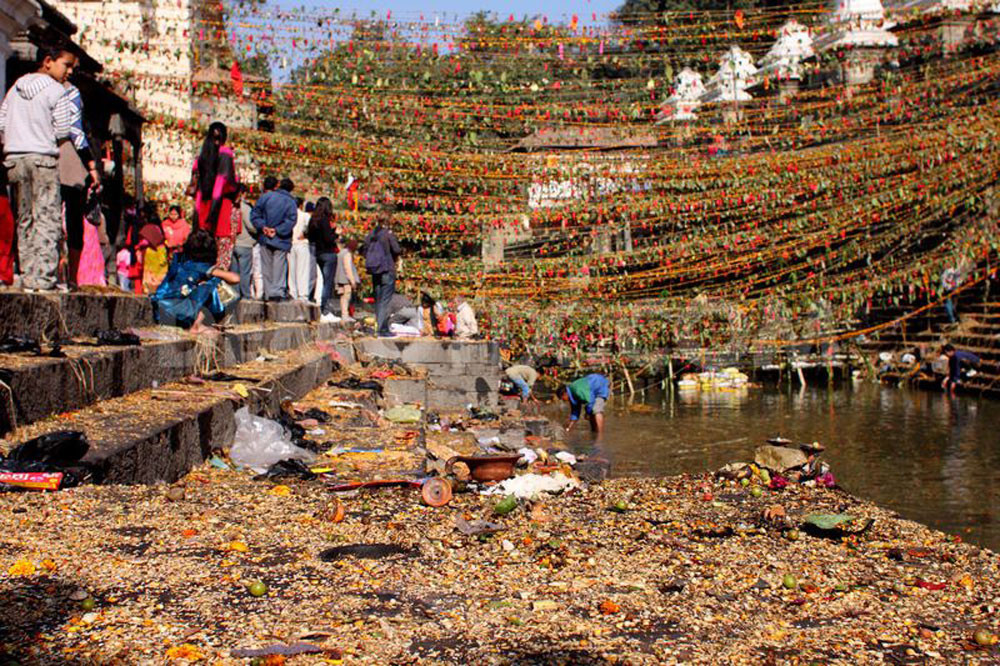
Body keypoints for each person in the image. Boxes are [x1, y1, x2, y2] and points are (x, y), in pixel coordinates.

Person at [0, 43, 81, 291]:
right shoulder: (57, 91)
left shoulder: (15, 88)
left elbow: (2, 122)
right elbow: (63, 129)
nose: (69, 72)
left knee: (24, 218)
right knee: (46, 217)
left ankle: (26, 273)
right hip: (42, 158)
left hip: (14, 158)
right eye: (66, 65)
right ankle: (43, 277)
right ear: (48, 62)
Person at [151, 229, 240, 335]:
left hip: (160, 310)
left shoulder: (179, 259)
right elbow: (235, 279)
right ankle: (196, 325)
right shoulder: (201, 266)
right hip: (177, 311)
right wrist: (216, 272)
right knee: (216, 283)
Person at [58, 81, 101, 288]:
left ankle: (50, 276)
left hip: (37, 153)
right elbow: (76, 131)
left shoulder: (21, 86)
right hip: (69, 159)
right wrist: (91, 165)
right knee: (73, 220)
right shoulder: (70, 90)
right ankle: (72, 278)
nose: (69, 73)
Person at [189, 121, 239, 237]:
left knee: (202, 245)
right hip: (220, 208)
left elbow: (194, 182)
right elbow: (226, 183)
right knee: (221, 248)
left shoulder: (201, 157)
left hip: (202, 204)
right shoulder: (225, 153)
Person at [251, 177, 297, 301]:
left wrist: (263, 227)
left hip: (265, 237)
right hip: (281, 238)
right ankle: (277, 292)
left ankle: (267, 292)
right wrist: (277, 230)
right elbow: (291, 219)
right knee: (279, 265)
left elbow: (255, 215)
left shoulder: (266, 197)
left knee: (266, 266)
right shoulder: (290, 202)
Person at [364, 213, 401, 337]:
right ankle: (380, 329)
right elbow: (396, 249)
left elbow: (364, 248)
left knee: (379, 300)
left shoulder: (371, 234)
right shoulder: (387, 234)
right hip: (387, 268)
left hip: (375, 271)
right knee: (385, 301)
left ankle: (382, 327)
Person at [306, 196, 339, 322]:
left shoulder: (313, 220)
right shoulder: (325, 220)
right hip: (328, 252)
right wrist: (335, 232)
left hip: (317, 252)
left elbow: (310, 236)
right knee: (327, 282)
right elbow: (328, 238)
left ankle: (313, 302)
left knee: (317, 279)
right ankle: (324, 309)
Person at [230, 186, 257, 299]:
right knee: (245, 272)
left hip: (232, 243)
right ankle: (245, 295)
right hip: (245, 244)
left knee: (234, 272)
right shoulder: (245, 208)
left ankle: (235, 295)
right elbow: (251, 226)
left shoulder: (229, 207)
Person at [289, 197, 314, 301]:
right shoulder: (305, 215)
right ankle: (303, 294)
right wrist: (305, 234)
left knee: (292, 271)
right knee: (302, 270)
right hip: (302, 244)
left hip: (291, 244)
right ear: (300, 205)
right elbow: (312, 227)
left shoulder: (289, 215)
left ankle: (293, 293)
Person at [335, 239, 360, 322]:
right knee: (346, 297)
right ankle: (345, 315)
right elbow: (348, 268)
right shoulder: (347, 254)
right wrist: (352, 281)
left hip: (340, 278)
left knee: (343, 297)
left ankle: (344, 314)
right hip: (345, 280)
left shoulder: (341, 253)